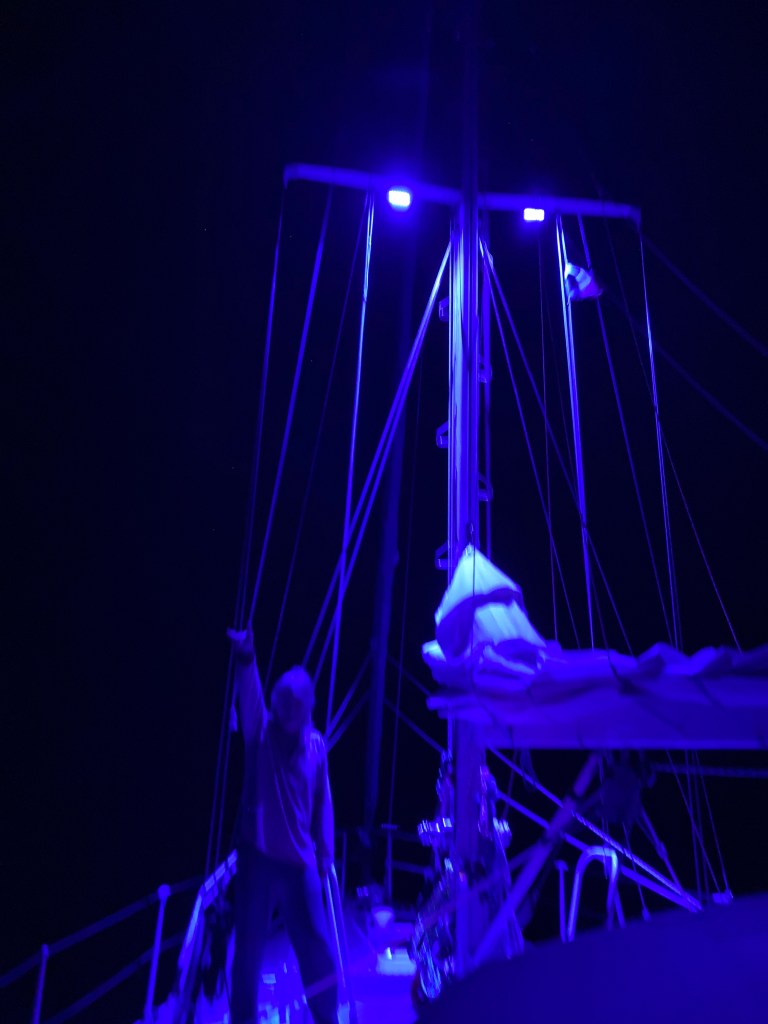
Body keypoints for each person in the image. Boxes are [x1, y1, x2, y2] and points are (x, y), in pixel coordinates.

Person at [227, 626, 338, 1024]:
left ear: (306, 707)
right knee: (248, 950)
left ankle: (326, 1017)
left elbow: (323, 802)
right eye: (282, 701)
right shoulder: (260, 732)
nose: (286, 709)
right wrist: (246, 656)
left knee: (318, 948)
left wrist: (326, 852)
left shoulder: (315, 745)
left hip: (300, 864)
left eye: (295, 704)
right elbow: (249, 695)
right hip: (257, 860)